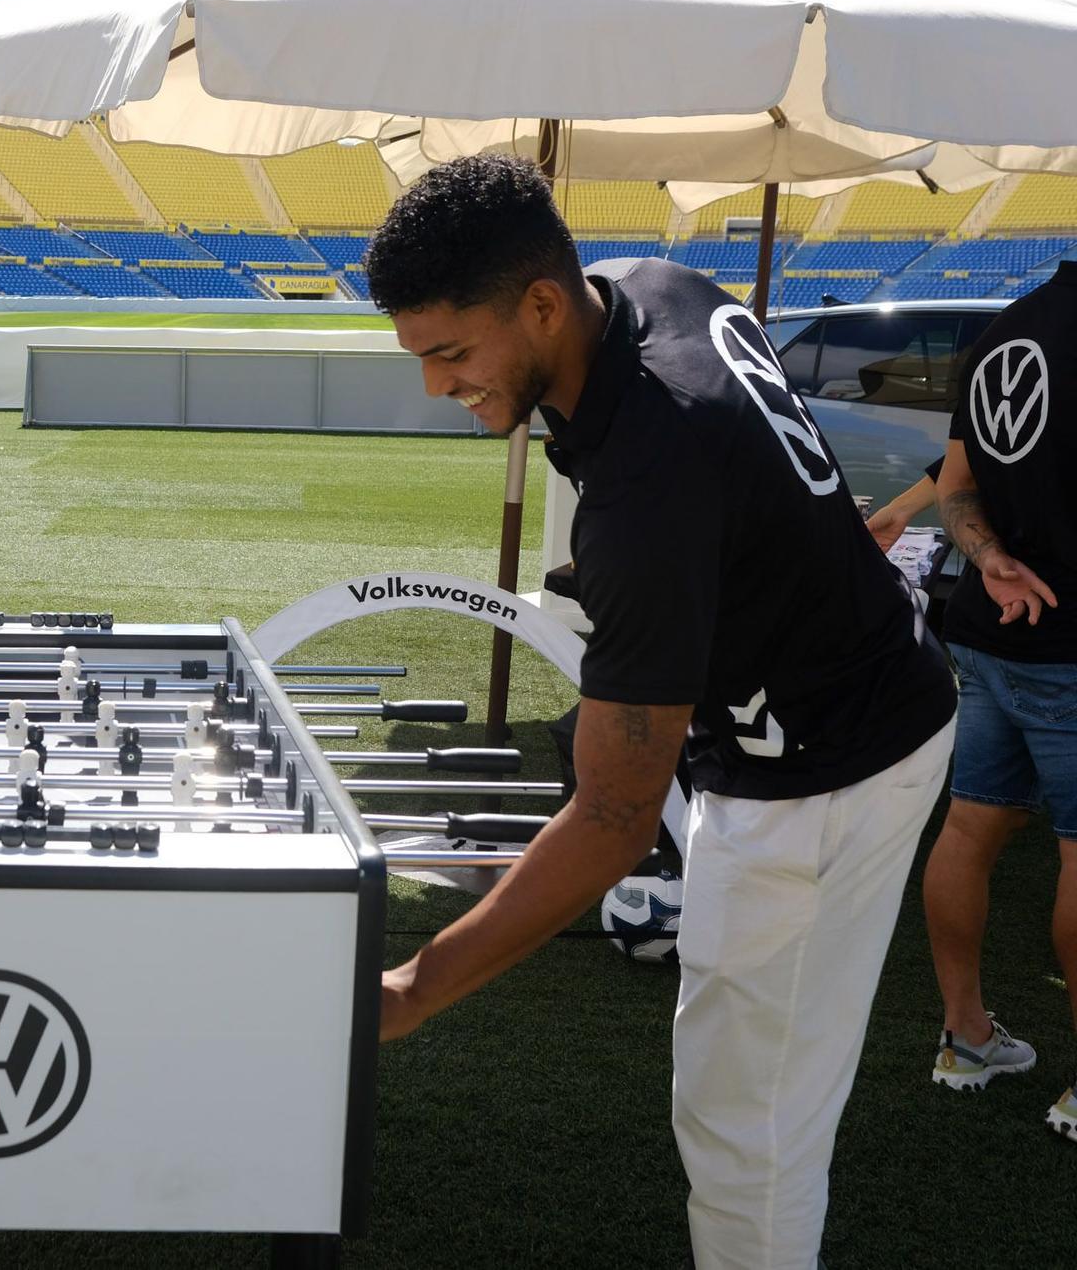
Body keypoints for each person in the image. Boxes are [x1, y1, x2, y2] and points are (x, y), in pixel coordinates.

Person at [365, 154, 957, 1269]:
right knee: (734, 1085)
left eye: (450, 352)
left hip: (832, 762)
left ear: (542, 303)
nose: (437, 387)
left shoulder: (648, 485)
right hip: (843, 693)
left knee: (747, 1121)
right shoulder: (650, 284)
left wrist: (411, 986)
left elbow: (611, 820)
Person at [921, 265, 1075, 1133]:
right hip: (1064, 641)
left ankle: (965, 1036)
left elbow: (956, 486)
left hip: (988, 625)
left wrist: (986, 559)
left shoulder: (1000, 331)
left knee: (972, 825)